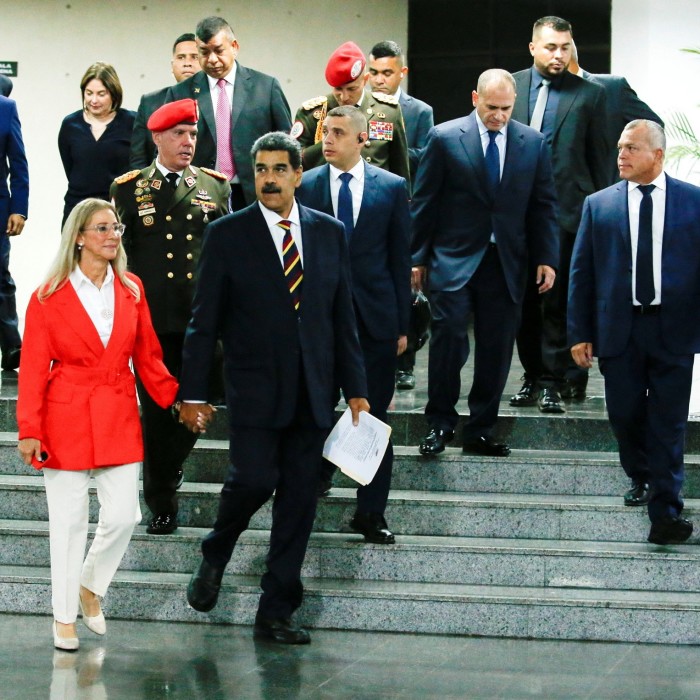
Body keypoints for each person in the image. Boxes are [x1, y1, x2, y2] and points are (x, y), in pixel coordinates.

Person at [180, 131, 368, 644]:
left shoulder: (329, 233)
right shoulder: (227, 234)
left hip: (314, 392)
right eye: (260, 169)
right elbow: (203, 324)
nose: (268, 178)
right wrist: (193, 392)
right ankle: (216, 550)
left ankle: (276, 611)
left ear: (297, 175)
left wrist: (356, 387)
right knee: (254, 480)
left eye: (279, 169)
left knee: (299, 503)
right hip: (255, 390)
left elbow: (341, 316)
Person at [16, 198, 179, 651]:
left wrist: (175, 398)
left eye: (117, 228)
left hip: (117, 410)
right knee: (68, 523)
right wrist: (29, 428)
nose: (113, 235)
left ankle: (90, 586)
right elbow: (31, 367)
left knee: (126, 515)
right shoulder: (48, 294)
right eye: (102, 228)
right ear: (80, 237)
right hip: (63, 415)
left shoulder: (131, 288)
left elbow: (147, 355)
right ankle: (63, 618)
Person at [413, 69, 558, 457]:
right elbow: (425, 201)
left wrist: (547, 257)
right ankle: (440, 424)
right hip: (453, 258)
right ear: (475, 98)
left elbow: (543, 205)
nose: (498, 115)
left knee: (496, 349)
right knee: (449, 339)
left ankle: (480, 430)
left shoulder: (532, 142)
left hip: (506, 262)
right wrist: (417, 258)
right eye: (491, 107)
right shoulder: (444, 137)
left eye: (506, 108)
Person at [568, 120, 699, 545]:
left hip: (673, 329)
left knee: (668, 423)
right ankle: (641, 473)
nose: (620, 155)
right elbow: (581, 274)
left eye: (631, 148)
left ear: (657, 155)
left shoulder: (693, 202)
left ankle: (666, 512)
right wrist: (579, 332)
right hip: (618, 330)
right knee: (624, 414)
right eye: (620, 147)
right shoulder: (599, 204)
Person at [111, 99, 231, 535]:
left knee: (204, 396)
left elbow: (226, 255)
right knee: (158, 412)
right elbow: (118, 257)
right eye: (179, 134)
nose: (188, 142)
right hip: (152, 321)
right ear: (157, 137)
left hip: (202, 318)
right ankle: (162, 500)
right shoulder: (128, 188)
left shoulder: (216, 187)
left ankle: (171, 464)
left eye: (194, 135)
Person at [297, 105, 410, 542]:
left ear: (362, 140)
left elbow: (399, 259)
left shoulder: (392, 187)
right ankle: (310, 488)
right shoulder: (306, 185)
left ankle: (371, 513)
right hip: (320, 322)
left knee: (374, 418)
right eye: (326, 131)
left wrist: (403, 325)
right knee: (316, 411)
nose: (327, 140)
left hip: (375, 319)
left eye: (339, 133)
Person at [508, 16, 609, 414]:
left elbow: (599, 161)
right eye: (551, 47)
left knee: (559, 301)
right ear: (533, 47)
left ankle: (556, 377)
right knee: (523, 301)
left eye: (565, 47)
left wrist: (598, 217)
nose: (559, 54)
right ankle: (533, 375)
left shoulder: (590, 94)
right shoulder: (511, 86)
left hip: (568, 213)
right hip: (516, 216)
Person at [165, 16, 292, 211]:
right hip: (200, 195)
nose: (212, 59)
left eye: (219, 50)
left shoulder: (266, 87)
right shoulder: (181, 92)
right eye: (204, 52)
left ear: (234, 47)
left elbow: (287, 143)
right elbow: (167, 147)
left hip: (255, 191)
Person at [367, 39, 434, 391]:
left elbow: (424, 158)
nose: (379, 80)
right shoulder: (359, 108)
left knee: (404, 286)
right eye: (373, 72)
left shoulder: (418, 111)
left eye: (387, 73)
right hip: (368, 210)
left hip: (404, 207)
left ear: (401, 73)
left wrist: (390, 149)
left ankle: (404, 363)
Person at [292, 41, 410, 185]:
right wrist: (331, 140)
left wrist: (405, 200)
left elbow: (400, 165)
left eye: (351, 89)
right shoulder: (313, 113)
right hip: (325, 196)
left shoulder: (388, 110)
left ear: (365, 80)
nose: (344, 97)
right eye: (338, 89)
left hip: (374, 193)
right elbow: (294, 162)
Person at [568, 41, 664, 184]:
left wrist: (626, 157)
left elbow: (654, 127)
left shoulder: (612, 88)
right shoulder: (541, 100)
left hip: (607, 192)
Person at [58, 63, 136, 226]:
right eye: (89, 93)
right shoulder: (70, 124)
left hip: (117, 209)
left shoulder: (132, 122)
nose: (94, 100)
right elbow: (71, 168)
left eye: (101, 94)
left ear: (114, 94)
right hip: (77, 208)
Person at [130, 33, 201, 169]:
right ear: (172, 65)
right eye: (181, 57)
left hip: (203, 186)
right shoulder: (149, 102)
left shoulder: (216, 102)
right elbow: (138, 156)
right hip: (156, 185)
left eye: (194, 57)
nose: (187, 63)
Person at [0, 94, 28, 372]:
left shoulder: (6, 108)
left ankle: (11, 347)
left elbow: (18, 163)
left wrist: (19, 208)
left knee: (0, 278)